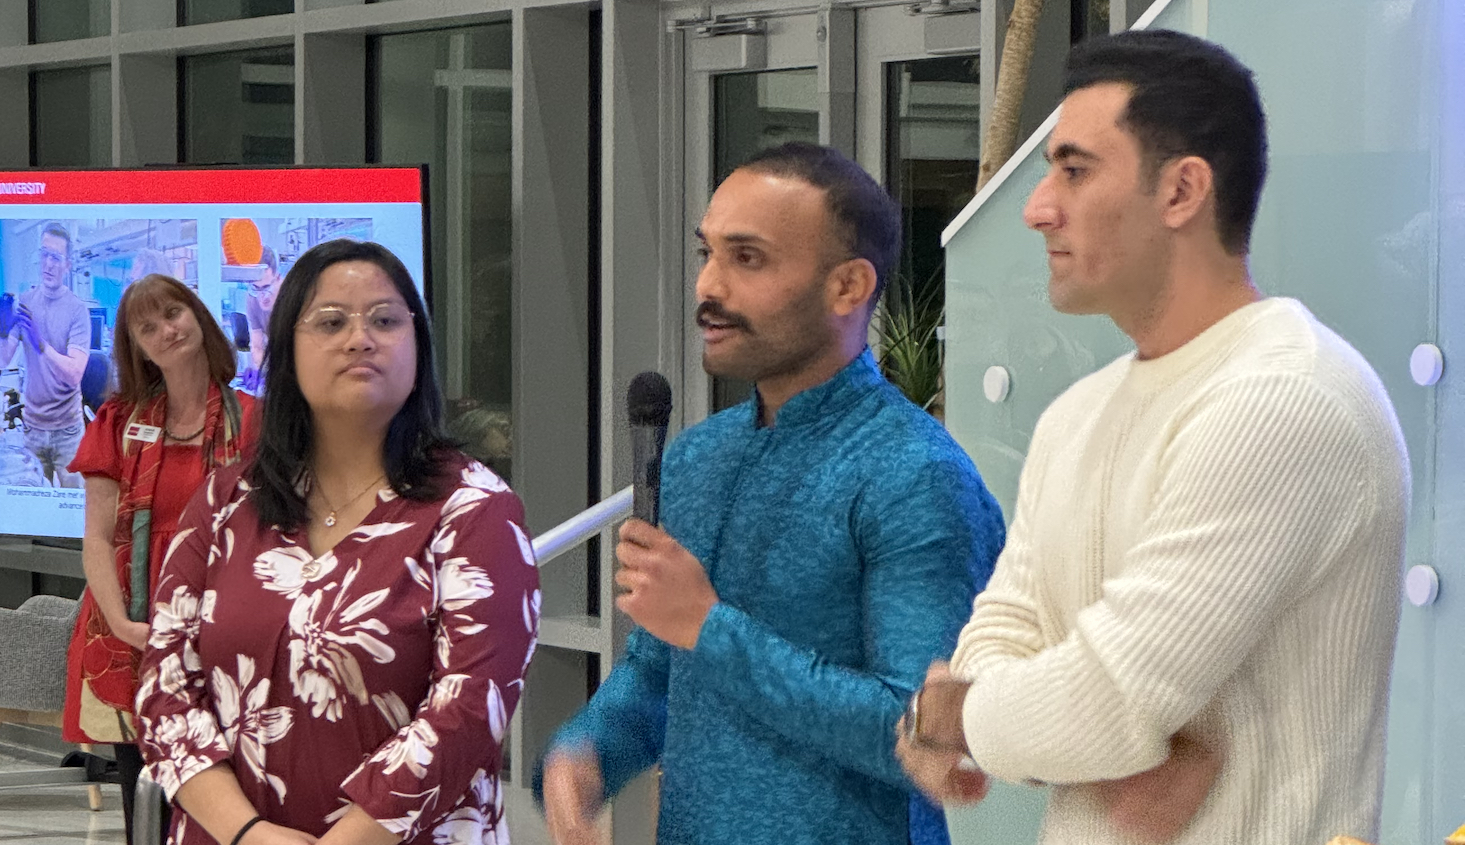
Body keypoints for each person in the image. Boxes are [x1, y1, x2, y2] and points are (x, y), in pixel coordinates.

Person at [895, 30, 1410, 845]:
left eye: (1074, 169)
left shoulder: (1284, 398)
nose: (1037, 208)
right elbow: (1000, 634)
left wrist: (952, 712)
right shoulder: (1078, 414)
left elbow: (1105, 697)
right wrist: (1084, 731)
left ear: (1182, 191)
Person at [537, 142, 1005, 845]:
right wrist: (585, 755)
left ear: (848, 286)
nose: (709, 287)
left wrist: (712, 627)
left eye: (746, 258)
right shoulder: (698, 457)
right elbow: (658, 675)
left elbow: (923, 736)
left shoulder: (915, 473)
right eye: (708, 254)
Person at [135, 240, 540, 845]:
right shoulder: (226, 501)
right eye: (330, 322)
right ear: (286, 349)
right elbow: (163, 686)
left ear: (417, 345)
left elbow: (466, 714)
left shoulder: (476, 510)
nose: (360, 338)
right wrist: (246, 833)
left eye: (384, 319)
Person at [64, 273, 262, 842]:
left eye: (172, 314)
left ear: (197, 315)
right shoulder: (118, 422)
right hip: (130, 629)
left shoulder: (255, 419)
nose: (165, 331)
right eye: (147, 327)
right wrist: (126, 626)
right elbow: (98, 539)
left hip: (225, 629)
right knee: (143, 809)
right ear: (135, 346)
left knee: (227, 799)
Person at [0, 221, 93, 486]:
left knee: (74, 507)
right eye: (44, 255)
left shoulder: (77, 310)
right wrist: (2, 331)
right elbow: (2, 360)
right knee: (34, 504)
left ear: (67, 265)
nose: (48, 264)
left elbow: (74, 374)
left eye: (56, 257)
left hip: (68, 431)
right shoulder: (25, 302)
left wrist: (41, 345)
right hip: (32, 427)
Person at [242, 246, 284, 389]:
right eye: (256, 288)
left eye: (266, 287)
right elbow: (257, 346)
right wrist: (265, 372)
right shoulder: (252, 299)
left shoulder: (291, 297)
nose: (262, 296)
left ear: (277, 278)